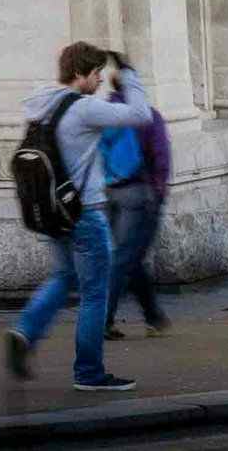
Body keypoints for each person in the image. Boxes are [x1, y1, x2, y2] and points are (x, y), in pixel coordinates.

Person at [3, 40, 158, 393]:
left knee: (62, 275)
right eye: (97, 75)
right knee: (94, 293)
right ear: (80, 74)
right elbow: (140, 115)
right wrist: (129, 74)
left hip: (54, 209)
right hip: (86, 213)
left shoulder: (41, 104)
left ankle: (25, 330)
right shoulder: (84, 109)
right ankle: (88, 372)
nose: (101, 82)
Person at [100, 54, 172, 340]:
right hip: (138, 193)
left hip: (108, 193)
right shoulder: (147, 116)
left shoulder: (101, 113)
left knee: (129, 256)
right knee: (123, 258)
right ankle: (103, 320)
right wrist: (157, 191)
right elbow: (161, 159)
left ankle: (153, 315)